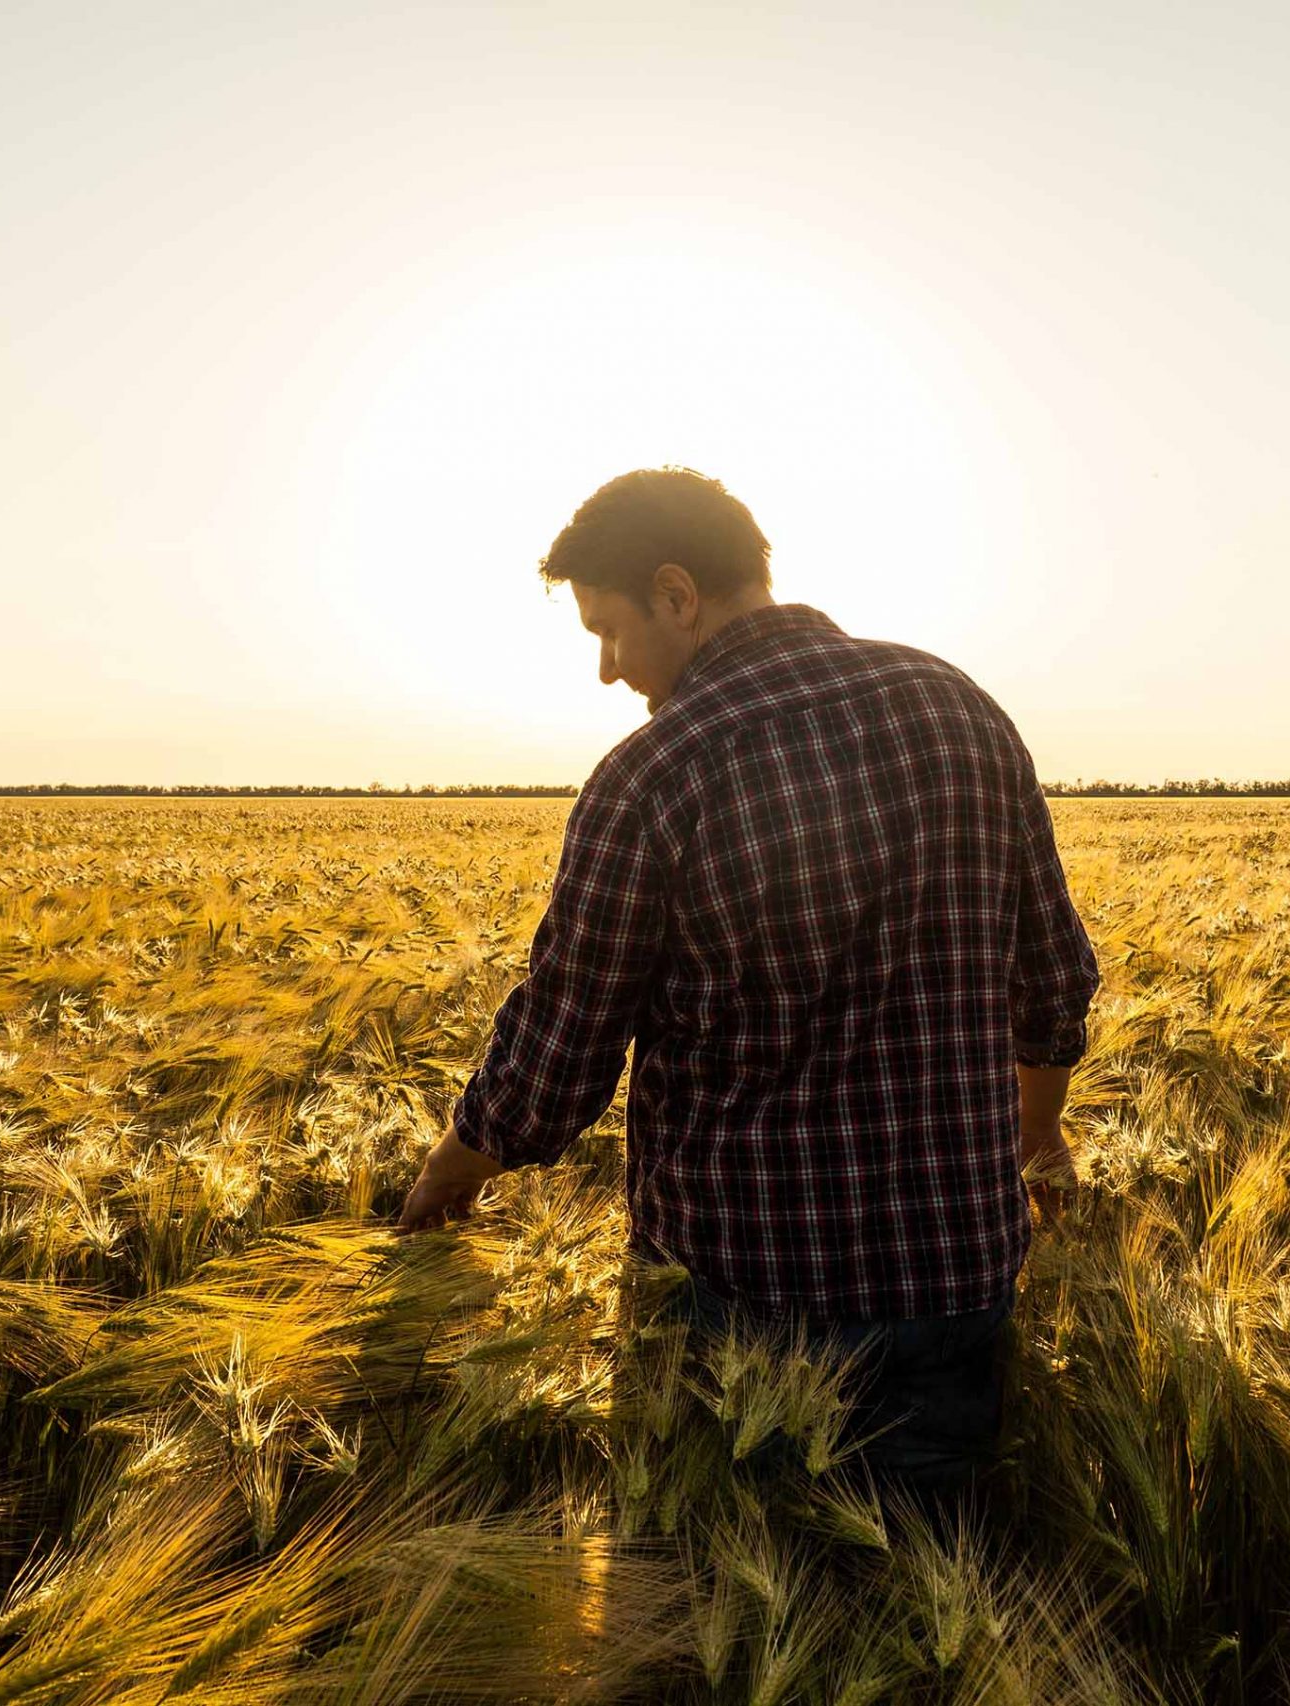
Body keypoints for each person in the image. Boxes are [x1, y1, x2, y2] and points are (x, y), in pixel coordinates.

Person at [397, 466, 1100, 1510]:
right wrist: (1035, 1136)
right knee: (930, 1580)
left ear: (676, 593)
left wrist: (448, 1171)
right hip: (958, 1287)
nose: (605, 670)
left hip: (741, 1307)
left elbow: (559, 1056)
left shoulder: (653, 775)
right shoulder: (962, 711)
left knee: (723, 1579)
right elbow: (1051, 982)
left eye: (609, 631)